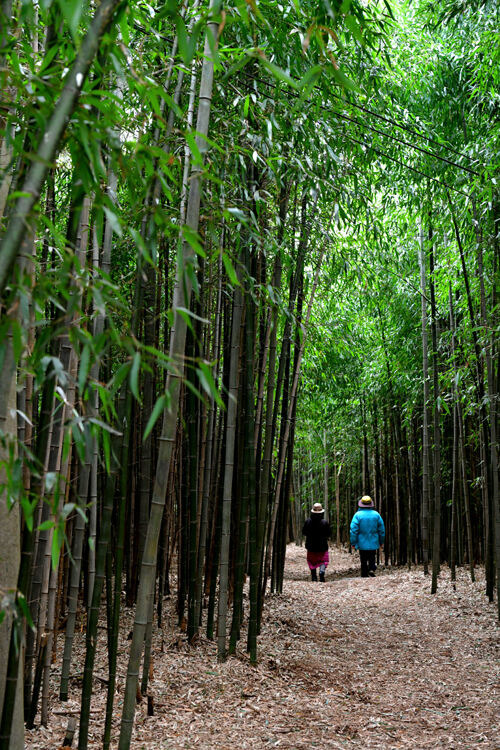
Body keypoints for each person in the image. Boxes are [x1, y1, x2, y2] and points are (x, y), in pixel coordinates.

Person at [350, 495, 385, 578]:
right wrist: (381, 541)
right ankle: (371, 568)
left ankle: (364, 573)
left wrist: (353, 542)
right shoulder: (376, 515)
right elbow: (381, 530)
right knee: (372, 555)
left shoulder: (357, 515)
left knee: (363, 558)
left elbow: (353, 530)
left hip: (362, 542)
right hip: (374, 541)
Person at [302, 503, 331, 582]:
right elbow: (328, 534)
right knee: (323, 560)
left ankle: (314, 576)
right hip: (322, 546)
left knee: (312, 561)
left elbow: (304, 532)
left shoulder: (308, 521)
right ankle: (321, 572)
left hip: (311, 546)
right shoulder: (325, 522)